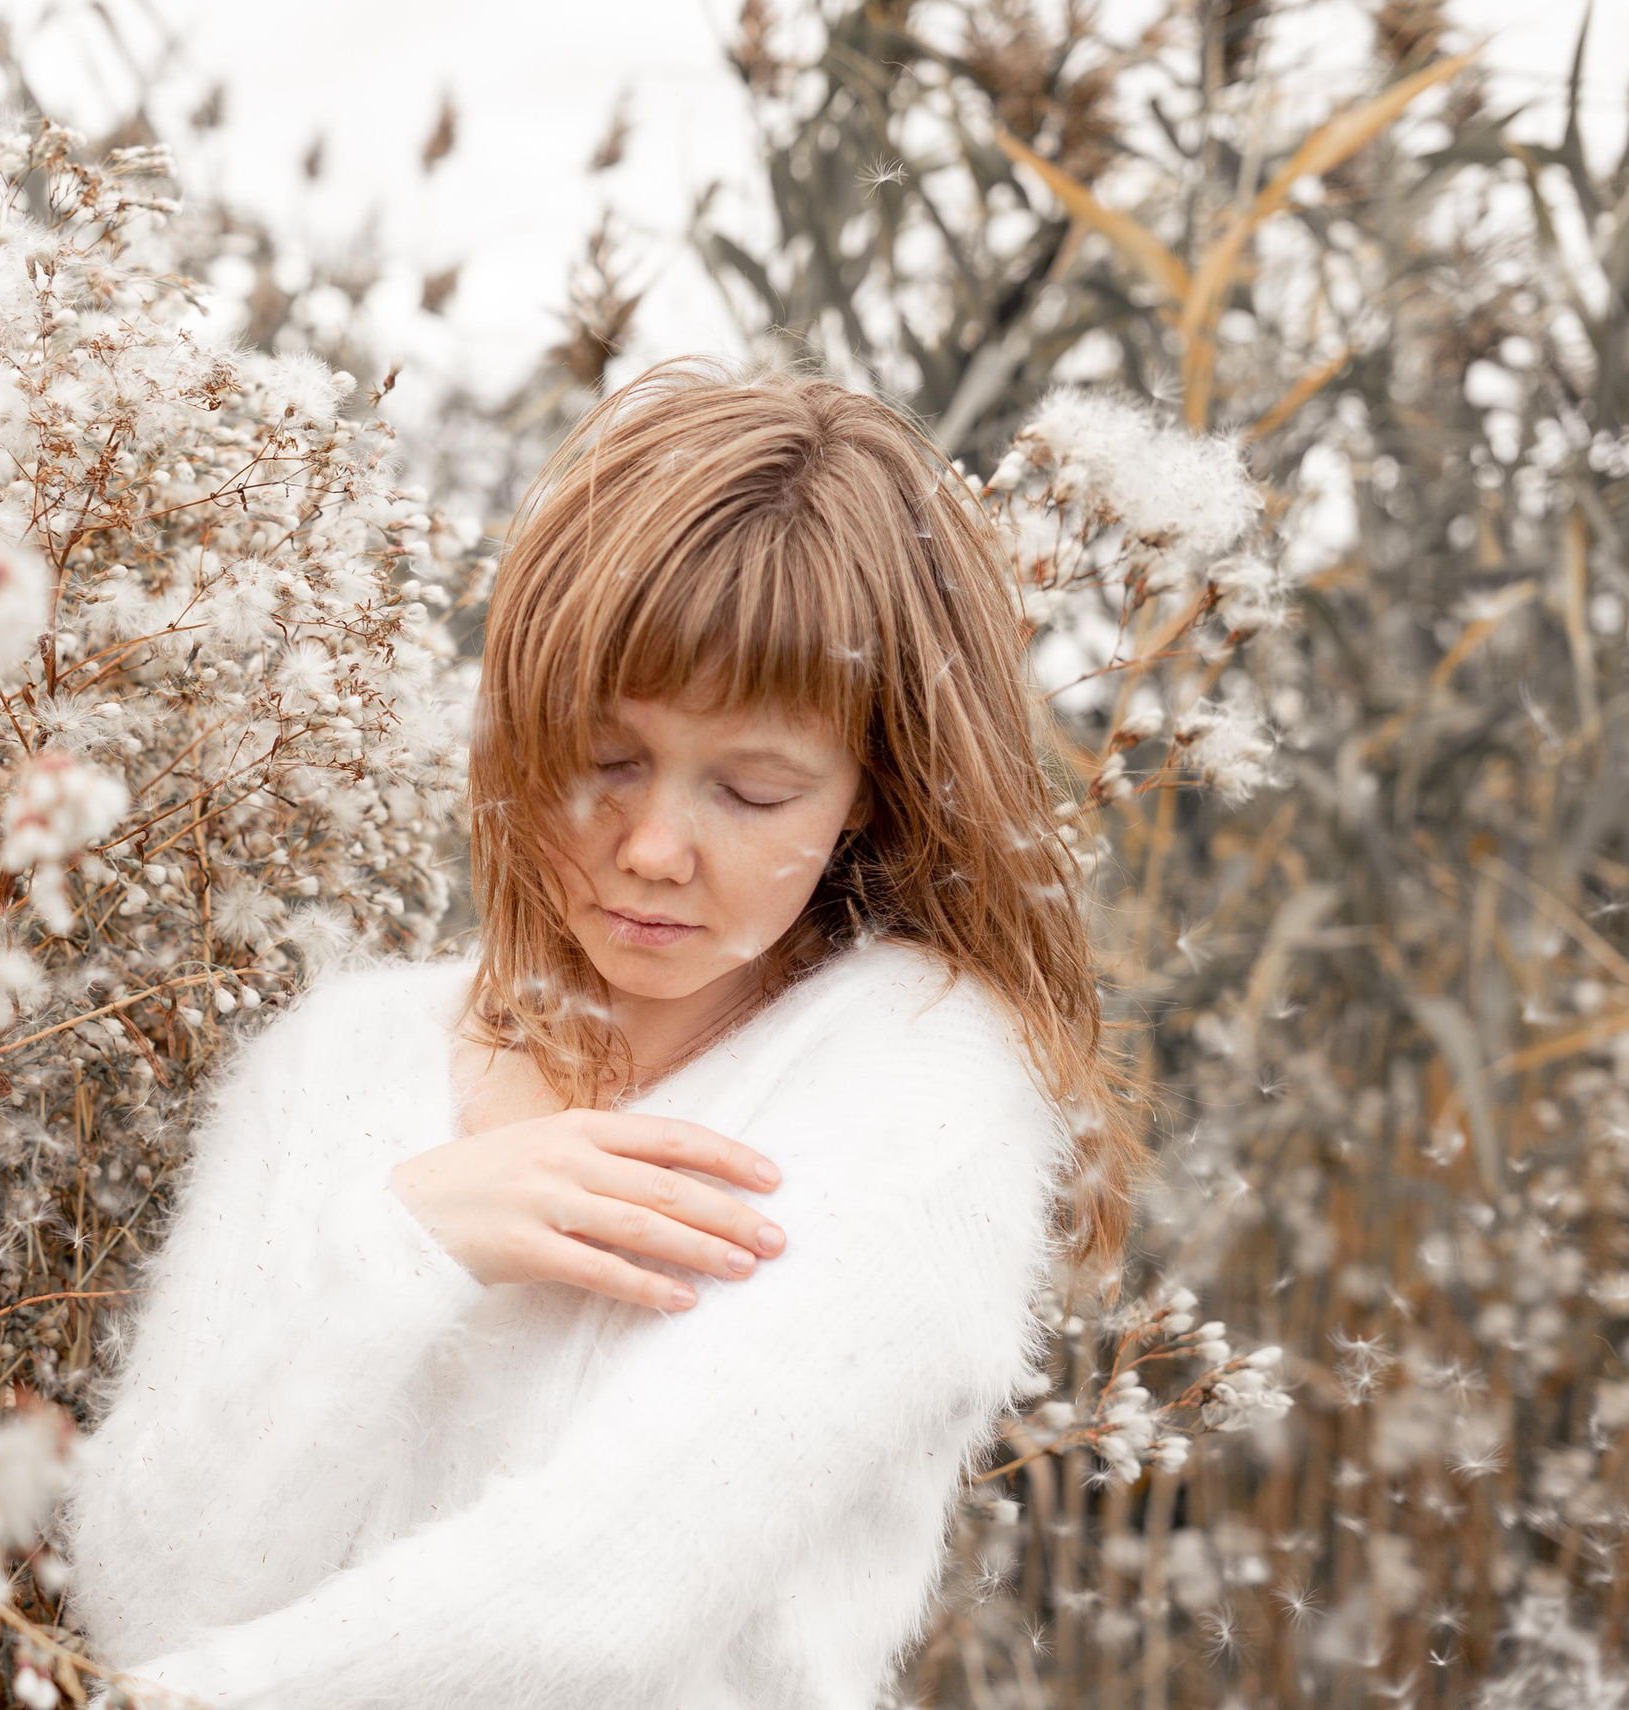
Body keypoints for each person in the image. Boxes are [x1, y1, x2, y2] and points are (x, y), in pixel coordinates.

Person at [55, 361, 1137, 1709]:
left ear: (874, 790)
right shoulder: (335, 1063)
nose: (654, 848)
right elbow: (148, 1592)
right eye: (605, 758)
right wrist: (406, 1240)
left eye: (753, 788)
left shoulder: (921, 1082)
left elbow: (600, 1605)